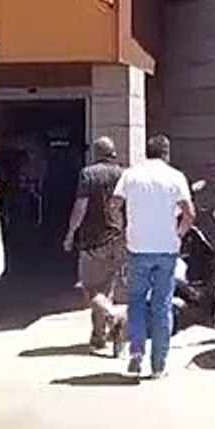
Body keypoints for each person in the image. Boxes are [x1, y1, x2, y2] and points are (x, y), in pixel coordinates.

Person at [112, 134, 195, 379]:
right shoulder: (176, 176)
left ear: (146, 152)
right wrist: (178, 234)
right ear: (166, 153)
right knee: (162, 306)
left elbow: (113, 204)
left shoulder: (131, 174)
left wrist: (123, 227)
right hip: (166, 249)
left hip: (137, 248)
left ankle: (137, 350)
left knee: (136, 301)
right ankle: (158, 366)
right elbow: (189, 213)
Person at [63, 136, 127, 356]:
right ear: (113, 153)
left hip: (93, 241)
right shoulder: (123, 174)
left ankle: (114, 317)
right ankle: (99, 338)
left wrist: (70, 233)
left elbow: (80, 208)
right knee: (106, 289)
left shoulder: (88, 174)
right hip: (119, 239)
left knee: (91, 291)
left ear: (96, 154)